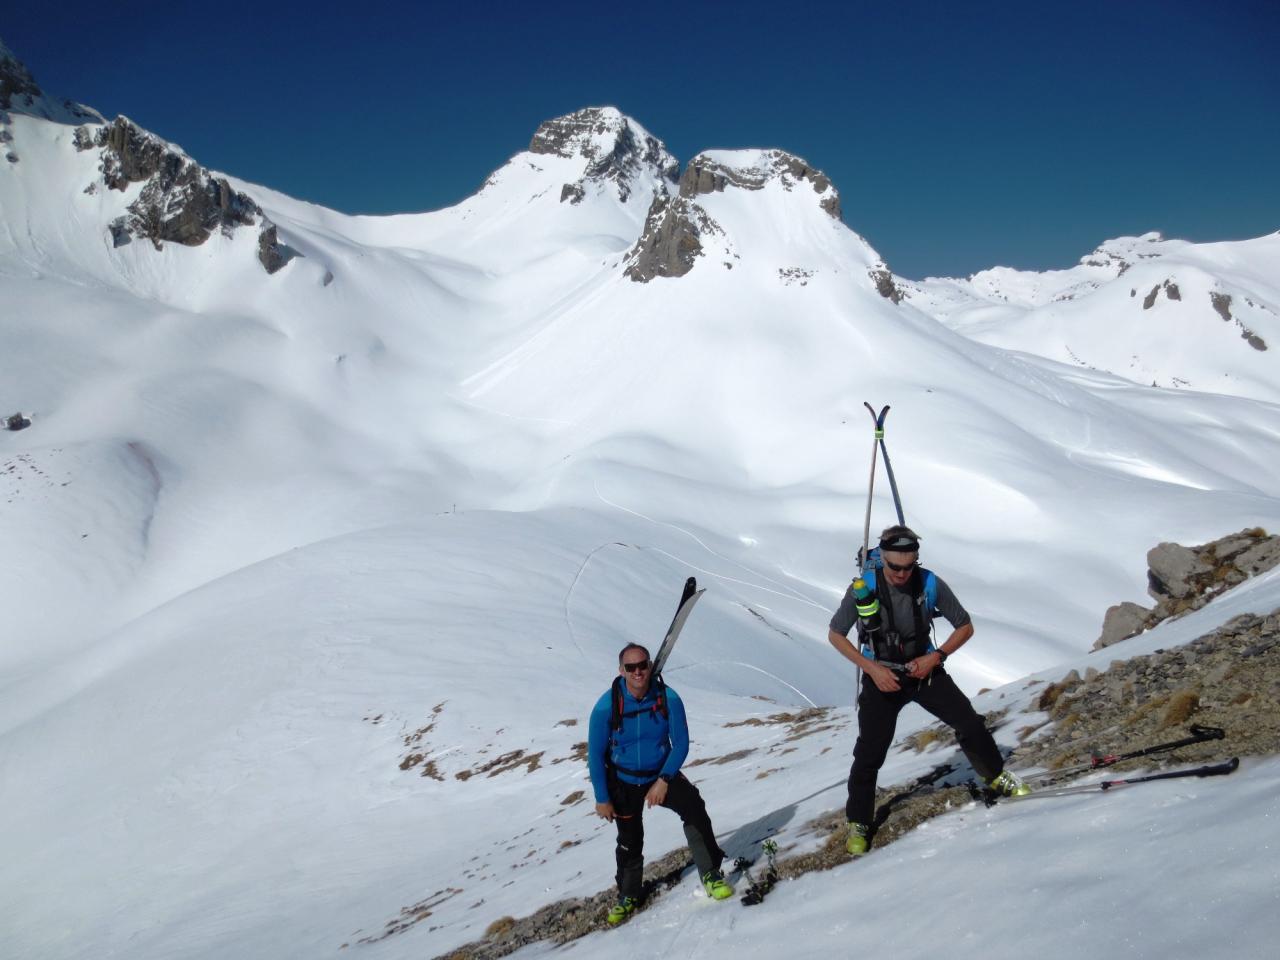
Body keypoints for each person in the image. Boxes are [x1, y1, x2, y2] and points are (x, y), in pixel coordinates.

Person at [827, 524, 1029, 855]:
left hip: (924, 671)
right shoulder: (865, 586)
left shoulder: (930, 582)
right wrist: (873, 670)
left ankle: (995, 776)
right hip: (883, 677)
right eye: (895, 567)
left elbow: (965, 626)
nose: (902, 574)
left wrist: (936, 656)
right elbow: (836, 633)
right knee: (869, 752)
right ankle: (859, 821)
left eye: (909, 567)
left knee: (969, 723)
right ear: (883, 561)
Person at [587, 643, 733, 924]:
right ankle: (628, 895)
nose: (638, 671)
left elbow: (680, 744)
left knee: (694, 809)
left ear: (650, 665)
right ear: (621, 671)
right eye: (631, 667)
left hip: (660, 773)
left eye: (643, 665)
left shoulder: (668, 698)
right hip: (623, 779)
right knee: (629, 839)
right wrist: (602, 797)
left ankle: (711, 874)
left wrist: (664, 779)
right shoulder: (607, 705)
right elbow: (594, 754)